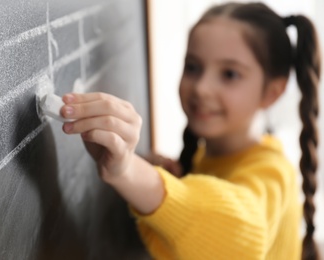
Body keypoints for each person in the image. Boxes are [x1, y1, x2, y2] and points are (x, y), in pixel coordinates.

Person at [60, 2, 321, 259]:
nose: (201, 88)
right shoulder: (206, 158)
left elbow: (240, 234)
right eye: (193, 67)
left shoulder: (274, 173)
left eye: (229, 74)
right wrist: (160, 175)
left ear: (272, 92)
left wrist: (129, 171)